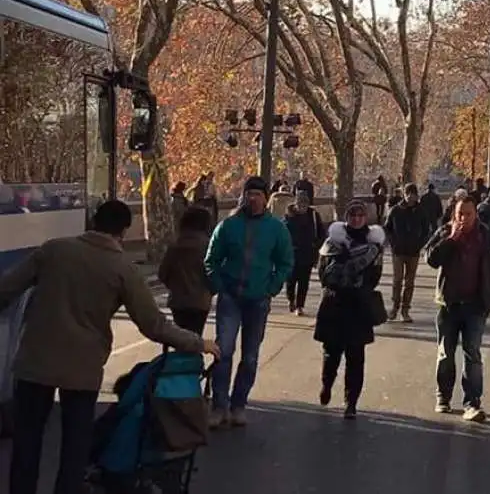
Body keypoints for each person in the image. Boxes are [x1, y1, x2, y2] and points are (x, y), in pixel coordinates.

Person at [0, 200, 219, 494]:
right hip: (82, 369)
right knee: (74, 448)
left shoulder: (53, 250)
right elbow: (154, 325)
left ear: (92, 220)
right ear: (124, 230)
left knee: (27, 445)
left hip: (34, 362)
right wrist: (198, 343)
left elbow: (6, 289)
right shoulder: (122, 269)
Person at [205, 176, 294, 428]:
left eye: (258, 194)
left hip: (258, 298)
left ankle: (238, 404)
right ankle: (219, 405)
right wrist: (220, 286)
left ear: (266, 198)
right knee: (224, 350)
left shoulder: (276, 229)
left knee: (251, 355)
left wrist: (272, 287)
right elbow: (211, 260)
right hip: (231, 297)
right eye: (249, 194)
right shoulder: (228, 226)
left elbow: (286, 262)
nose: (253, 198)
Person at [425, 195, 490, 422]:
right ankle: (443, 396)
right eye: (459, 214)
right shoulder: (446, 232)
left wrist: (489, 298)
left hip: (475, 305)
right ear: (453, 215)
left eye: (468, 213)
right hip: (449, 304)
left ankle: (472, 403)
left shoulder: (485, 235)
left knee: (472, 355)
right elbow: (431, 258)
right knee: (446, 353)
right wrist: (452, 239)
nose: (463, 218)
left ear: (475, 214)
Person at [314, 201, 385, 419]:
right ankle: (327, 385)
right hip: (334, 303)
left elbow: (375, 277)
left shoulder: (373, 247)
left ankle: (351, 402)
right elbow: (322, 273)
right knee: (331, 354)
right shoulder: (332, 243)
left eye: (360, 215)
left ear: (365, 218)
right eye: (352, 215)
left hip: (358, 305)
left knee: (356, 358)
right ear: (346, 218)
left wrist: (358, 283)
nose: (356, 219)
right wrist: (339, 271)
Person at [159, 207, 214, 334]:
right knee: (195, 335)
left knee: (181, 337)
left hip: (178, 300)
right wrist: (210, 290)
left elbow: (163, 273)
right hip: (200, 300)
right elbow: (213, 272)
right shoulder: (208, 245)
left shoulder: (175, 245)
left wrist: (174, 285)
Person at [384, 184, 429, 322]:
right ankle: (395, 307)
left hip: (413, 251)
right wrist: (393, 243)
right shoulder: (396, 210)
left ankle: (405, 309)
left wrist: (420, 244)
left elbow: (426, 230)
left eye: (413, 194)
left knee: (410, 282)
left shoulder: (421, 211)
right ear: (404, 194)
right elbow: (387, 228)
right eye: (408, 193)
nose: (410, 197)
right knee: (397, 280)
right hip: (398, 251)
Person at [283, 192, 325, 315]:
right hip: (292, 253)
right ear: (295, 204)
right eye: (300, 205)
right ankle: (291, 300)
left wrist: (316, 245)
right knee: (290, 280)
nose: (302, 208)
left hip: (308, 253)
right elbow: (283, 235)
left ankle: (300, 305)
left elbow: (321, 233)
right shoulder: (288, 216)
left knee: (304, 281)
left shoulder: (313, 215)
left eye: (305, 205)